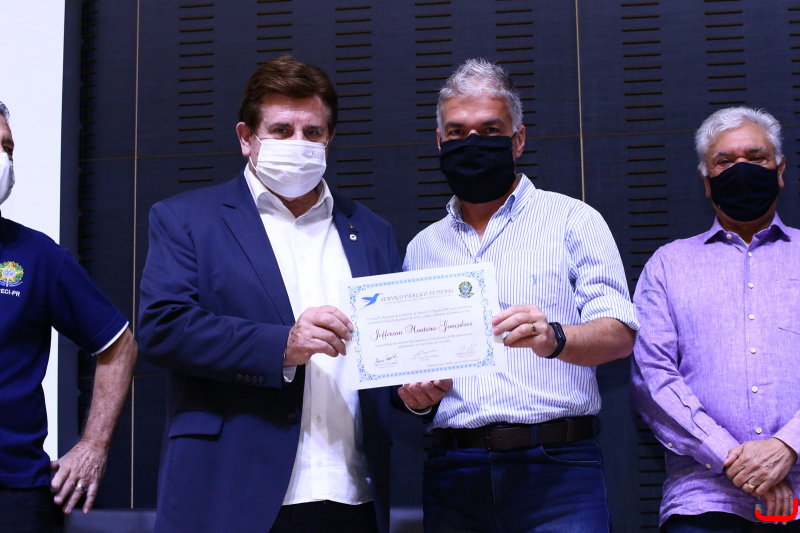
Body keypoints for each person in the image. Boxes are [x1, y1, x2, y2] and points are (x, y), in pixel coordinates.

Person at [138, 56, 402, 533]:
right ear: (246, 138)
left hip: (353, 494)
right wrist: (283, 345)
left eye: (312, 132)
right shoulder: (187, 219)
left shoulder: (371, 231)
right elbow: (163, 328)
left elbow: (389, 353)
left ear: (329, 138)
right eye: (281, 130)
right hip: (231, 494)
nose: (298, 143)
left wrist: (416, 394)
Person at [398, 59, 639, 533]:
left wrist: (554, 338)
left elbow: (619, 335)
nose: (472, 143)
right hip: (453, 471)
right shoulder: (422, 247)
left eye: (490, 130)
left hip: (558, 469)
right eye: (457, 132)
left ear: (518, 139)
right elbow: (412, 368)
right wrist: (416, 398)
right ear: (440, 141)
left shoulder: (574, 220)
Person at [632, 106, 800, 532]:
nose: (742, 170)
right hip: (704, 496)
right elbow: (652, 379)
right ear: (707, 180)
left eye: (756, 158)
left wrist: (788, 446)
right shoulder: (668, 265)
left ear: (780, 170)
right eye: (725, 162)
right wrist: (733, 458)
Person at [0, 100, 137, 532]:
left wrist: (93, 445)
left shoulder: (37, 256)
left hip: (13, 491)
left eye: (7, 147)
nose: (3, 159)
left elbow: (119, 344)